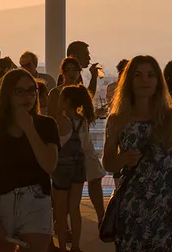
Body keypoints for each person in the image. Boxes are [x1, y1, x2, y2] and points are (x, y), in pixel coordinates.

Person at [102, 56, 172, 252]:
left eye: (150, 75)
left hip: (166, 204)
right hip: (131, 206)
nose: (145, 81)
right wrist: (122, 160)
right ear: (129, 81)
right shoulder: (117, 120)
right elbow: (107, 163)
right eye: (138, 75)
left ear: (158, 81)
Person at [0, 69, 61, 252]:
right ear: (8, 94)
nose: (27, 97)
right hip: (3, 203)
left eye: (32, 90)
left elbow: (49, 165)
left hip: (36, 201)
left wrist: (29, 129)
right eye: (20, 91)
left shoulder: (46, 125)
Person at [49, 56, 106, 225]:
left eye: (76, 70)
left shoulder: (77, 92)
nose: (73, 73)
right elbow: (53, 118)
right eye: (70, 69)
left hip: (82, 143)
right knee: (67, 192)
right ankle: (63, 225)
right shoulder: (57, 93)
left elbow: (89, 99)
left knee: (94, 180)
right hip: (66, 144)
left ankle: (101, 218)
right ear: (63, 72)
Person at [51, 85, 95, 252]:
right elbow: (84, 146)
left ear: (66, 101)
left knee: (61, 212)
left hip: (62, 169)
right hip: (79, 167)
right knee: (74, 209)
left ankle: (62, 247)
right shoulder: (82, 121)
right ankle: (76, 246)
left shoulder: (60, 121)